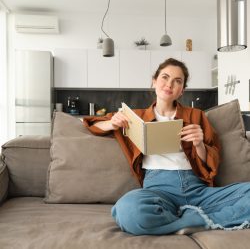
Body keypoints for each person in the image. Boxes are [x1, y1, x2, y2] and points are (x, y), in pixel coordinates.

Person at [84, 58, 250, 235]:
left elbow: (212, 162)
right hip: (158, 191)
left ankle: (194, 220)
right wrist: (112, 123)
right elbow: (92, 123)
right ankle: (196, 220)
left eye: (177, 81)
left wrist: (199, 144)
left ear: (181, 91)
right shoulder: (135, 117)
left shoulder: (197, 115)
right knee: (128, 210)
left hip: (198, 190)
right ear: (154, 81)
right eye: (165, 77)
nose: (169, 84)